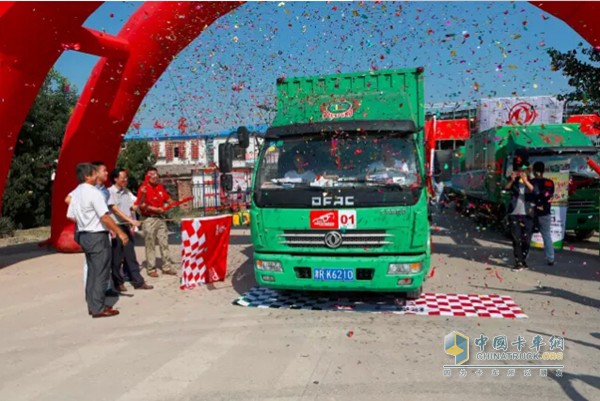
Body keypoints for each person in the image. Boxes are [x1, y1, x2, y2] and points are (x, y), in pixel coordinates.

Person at [67, 163, 129, 318]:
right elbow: (104, 216)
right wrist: (120, 233)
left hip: (83, 234)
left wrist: (84, 220)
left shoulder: (76, 192)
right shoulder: (94, 193)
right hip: (96, 235)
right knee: (101, 272)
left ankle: (93, 304)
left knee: (92, 272)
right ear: (88, 176)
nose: (98, 176)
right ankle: (99, 307)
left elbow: (70, 215)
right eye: (95, 174)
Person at [107, 168, 154, 291]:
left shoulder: (127, 192)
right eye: (123, 178)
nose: (125, 180)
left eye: (126, 178)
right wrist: (131, 220)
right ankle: (118, 282)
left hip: (126, 226)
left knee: (130, 255)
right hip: (116, 227)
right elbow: (115, 209)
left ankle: (138, 281)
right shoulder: (109, 192)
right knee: (116, 257)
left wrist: (142, 195)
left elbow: (134, 206)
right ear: (115, 179)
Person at [135, 167, 178, 277]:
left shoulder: (160, 187)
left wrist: (172, 204)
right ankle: (151, 268)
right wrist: (155, 209)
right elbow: (141, 205)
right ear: (147, 176)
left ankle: (167, 266)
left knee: (164, 242)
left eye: (156, 174)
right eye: (152, 174)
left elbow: (168, 199)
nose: (155, 176)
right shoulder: (143, 189)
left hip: (160, 218)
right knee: (150, 244)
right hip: (149, 219)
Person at [505, 161, 536, 271]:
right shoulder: (515, 182)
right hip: (514, 213)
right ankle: (519, 261)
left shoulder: (532, 181)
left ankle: (523, 259)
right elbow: (506, 188)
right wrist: (512, 180)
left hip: (527, 214)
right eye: (519, 171)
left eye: (523, 171)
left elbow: (535, 192)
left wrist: (526, 181)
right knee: (516, 239)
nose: (521, 173)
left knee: (526, 240)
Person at [531, 161, 555, 266]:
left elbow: (531, 195)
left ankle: (523, 256)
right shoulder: (549, 182)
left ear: (534, 171)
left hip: (532, 212)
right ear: (543, 170)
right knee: (546, 235)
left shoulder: (531, 182)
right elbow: (548, 194)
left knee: (527, 234)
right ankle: (550, 258)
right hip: (545, 212)